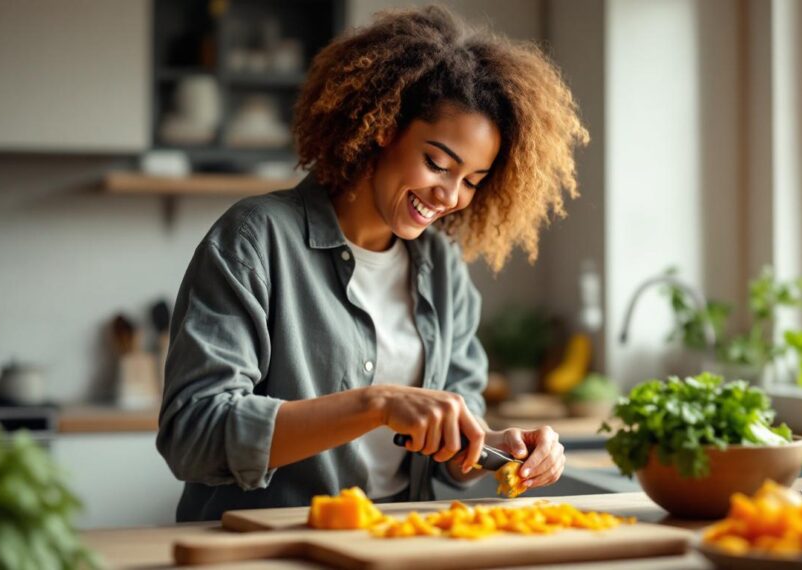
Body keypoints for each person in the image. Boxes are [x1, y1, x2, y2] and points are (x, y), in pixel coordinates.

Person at [156, 5, 588, 522]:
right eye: (437, 163)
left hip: (393, 542)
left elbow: (453, 451)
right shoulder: (257, 238)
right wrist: (376, 405)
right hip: (267, 549)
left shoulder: (443, 269)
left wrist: (497, 447)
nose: (450, 195)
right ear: (385, 126)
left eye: (472, 180)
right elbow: (194, 434)